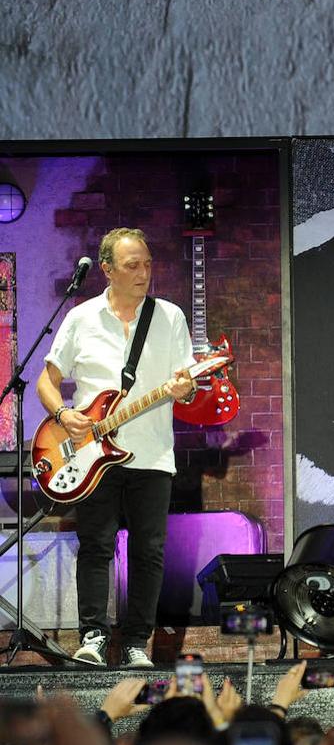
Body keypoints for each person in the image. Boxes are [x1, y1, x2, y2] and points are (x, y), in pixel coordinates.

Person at [36, 228, 196, 668]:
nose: (144, 272)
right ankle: (92, 636)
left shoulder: (170, 317)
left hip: (152, 454)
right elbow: (46, 381)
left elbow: (185, 385)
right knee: (96, 545)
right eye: (132, 265)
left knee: (148, 550)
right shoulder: (81, 318)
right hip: (89, 457)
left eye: (147, 262)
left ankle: (135, 644)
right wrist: (63, 415)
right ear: (107, 270)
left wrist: (184, 389)